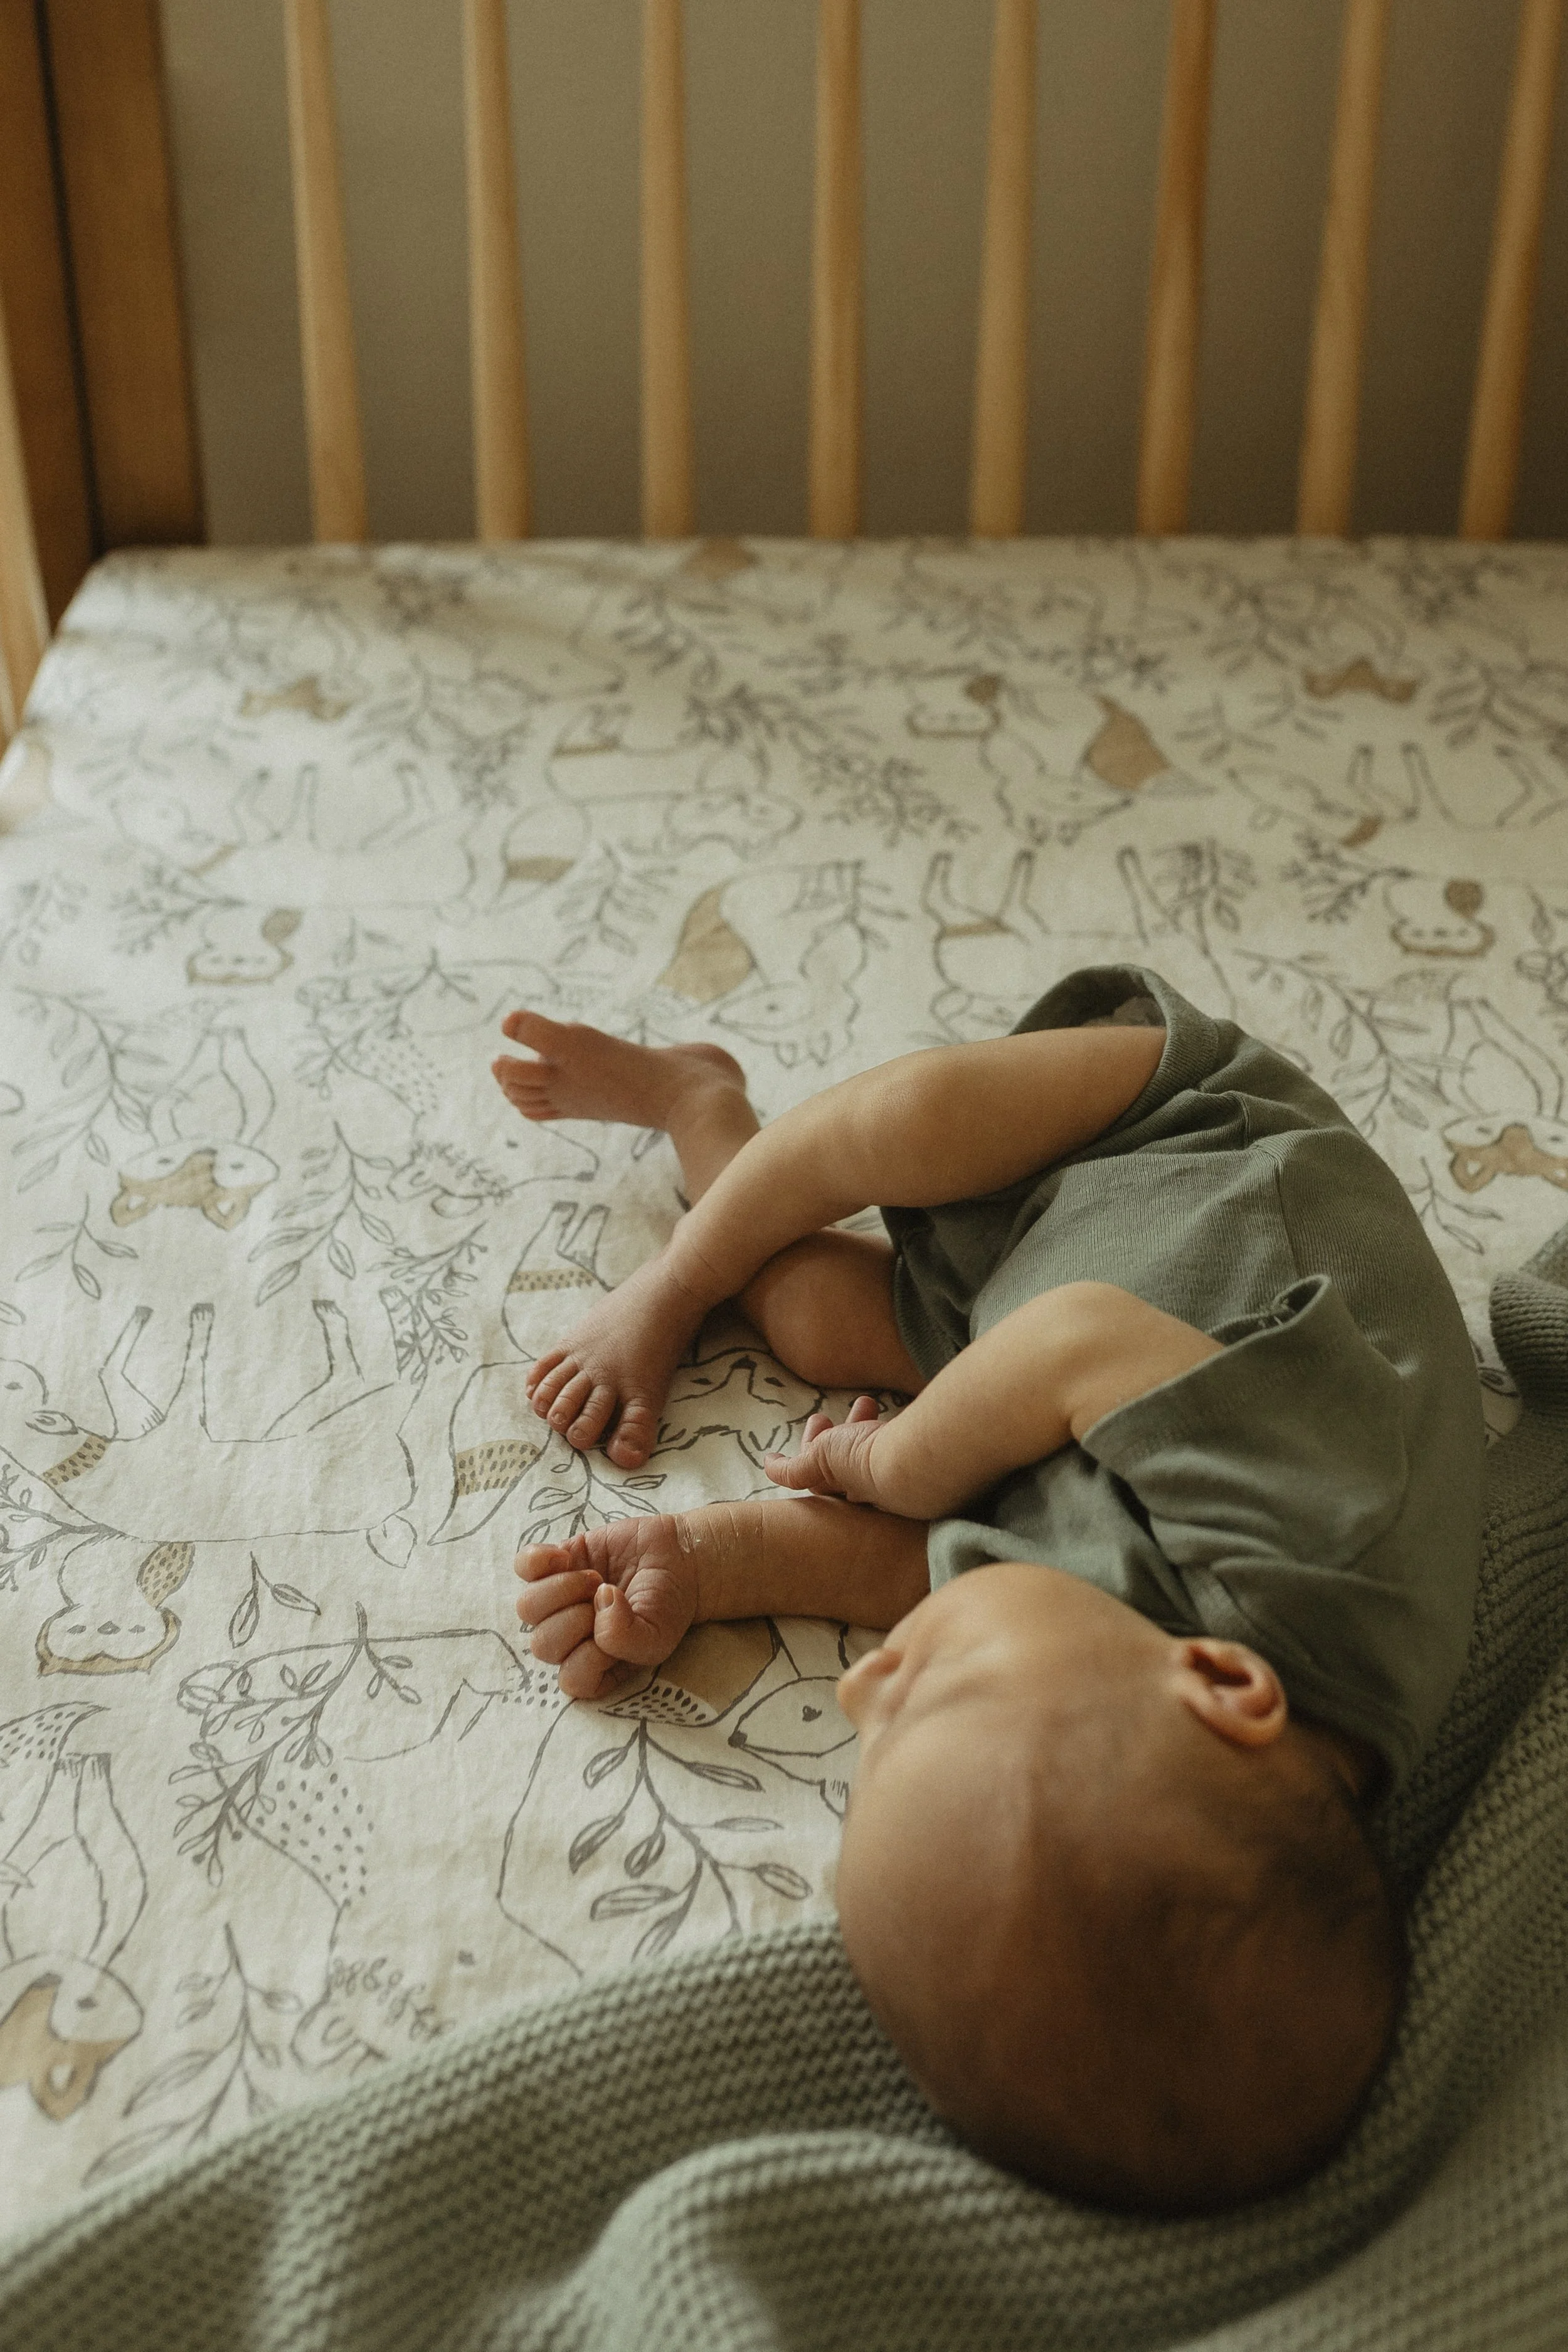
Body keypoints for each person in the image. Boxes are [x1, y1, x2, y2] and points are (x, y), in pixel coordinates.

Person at [490, 967, 1484, 2214]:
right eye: (935, 1685)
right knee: (905, 1122)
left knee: (801, 1313)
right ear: (1217, 1683)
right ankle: (674, 1275)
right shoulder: (1326, 1549)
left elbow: (947, 1577)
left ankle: (694, 1099)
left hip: (1024, 1346)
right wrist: (890, 1460)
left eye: (874, 1719)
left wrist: (705, 1563)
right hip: (1166, 1153)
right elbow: (1077, 1337)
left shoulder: (1144, 1713)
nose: (863, 1680)